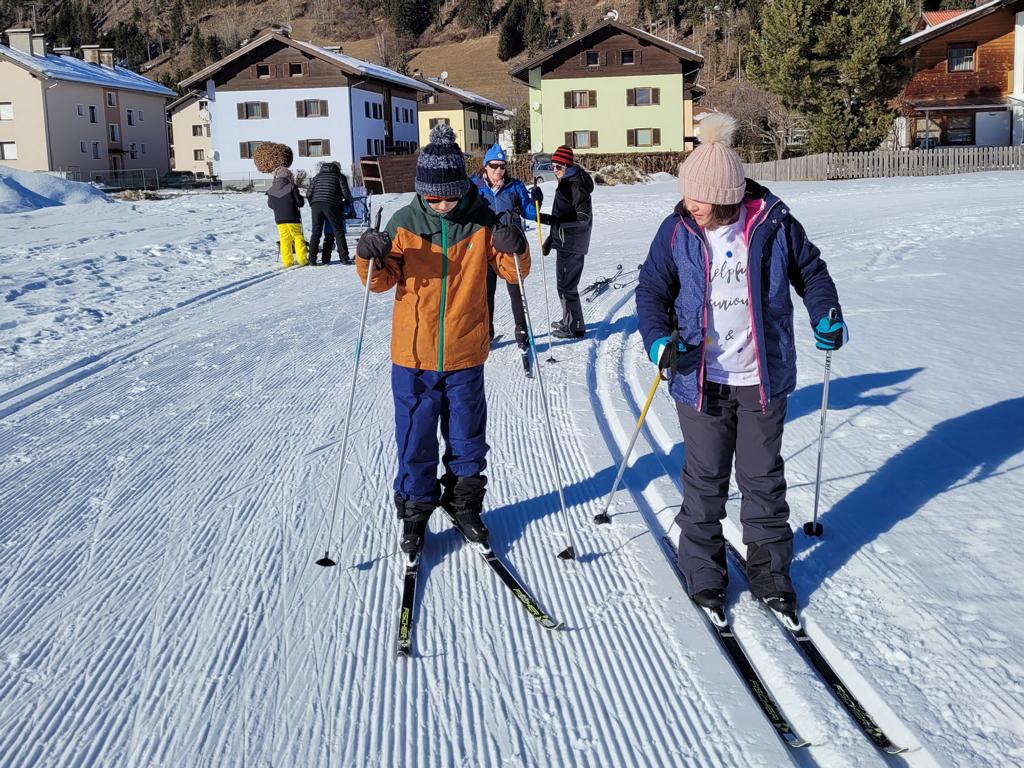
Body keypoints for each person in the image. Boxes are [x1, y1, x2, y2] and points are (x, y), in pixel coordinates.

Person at [635, 113, 847, 616]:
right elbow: (651, 290)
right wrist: (657, 339)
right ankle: (703, 569)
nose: (692, 204)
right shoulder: (676, 231)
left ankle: (771, 572)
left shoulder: (773, 225)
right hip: (699, 376)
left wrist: (826, 313)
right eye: (688, 194)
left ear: (728, 194)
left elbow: (812, 272)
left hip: (761, 376)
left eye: (701, 197)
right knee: (705, 478)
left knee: (761, 478)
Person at [355, 124, 530, 555]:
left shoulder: (482, 220)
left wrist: (514, 247)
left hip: (466, 351)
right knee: (415, 438)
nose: (442, 205)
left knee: (468, 436)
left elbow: (513, 274)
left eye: (449, 197)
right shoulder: (403, 223)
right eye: (433, 198)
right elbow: (379, 283)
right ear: (422, 192)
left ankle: (464, 503)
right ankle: (415, 512)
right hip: (412, 355)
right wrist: (367, 256)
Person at [472, 143, 542, 350]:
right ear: (485, 166)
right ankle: (487, 332)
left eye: (502, 166)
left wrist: (537, 200)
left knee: (516, 291)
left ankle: (522, 332)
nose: (498, 171)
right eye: (494, 166)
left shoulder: (515, 186)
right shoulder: (474, 186)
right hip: (486, 247)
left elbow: (529, 212)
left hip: (510, 246)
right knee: (487, 292)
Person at [538, 145, 593, 339]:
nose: (555, 171)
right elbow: (560, 216)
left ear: (568, 166)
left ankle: (575, 327)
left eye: (558, 167)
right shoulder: (566, 182)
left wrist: (555, 222)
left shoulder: (575, 185)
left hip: (573, 244)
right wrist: (550, 240)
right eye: (552, 166)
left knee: (567, 286)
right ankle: (568, 320)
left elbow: (582, 218)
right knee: (564, 285)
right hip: (565, 242)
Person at [308, 161, 353, 265]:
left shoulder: (317, 177)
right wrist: (349, 202)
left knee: (316, 232)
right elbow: (346, 194)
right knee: (338, 230)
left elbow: (308, 193)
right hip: (331, 204)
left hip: (316, 205)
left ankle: (312, 259)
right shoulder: (339, 176)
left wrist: (313, 204)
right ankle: (344, 258)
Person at [265, 166, 309, 268]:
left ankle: (287, 262)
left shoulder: (271, 190)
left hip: (279, 219)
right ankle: (302, 260)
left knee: (284, 239)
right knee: (298, 237)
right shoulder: (292, 187)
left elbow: (270, 205)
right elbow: (300, 203)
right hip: (293, 217)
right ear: (287, 176)